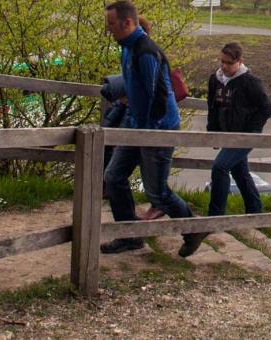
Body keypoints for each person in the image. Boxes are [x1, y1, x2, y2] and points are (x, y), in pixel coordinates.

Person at [97, 1, 199, 257]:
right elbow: (135, 91)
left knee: (157, 193)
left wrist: (148, 132)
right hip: (136, 126)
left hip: (158, 128)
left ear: (127, 23)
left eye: (111, 24)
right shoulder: (127, 49)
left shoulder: (146, 51)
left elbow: (158, 96)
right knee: (113, 177)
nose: (108, 30)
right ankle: (130, 237)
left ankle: (194, 229)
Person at [198, 41, 271, 256]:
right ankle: (255, 212)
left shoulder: (250, 82)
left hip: (245, 136)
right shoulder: (215, 80)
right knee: (239, 171)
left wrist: (251, 129)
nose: (224, 66)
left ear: (239, 62)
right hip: (227, 133)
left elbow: (267, 108)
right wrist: (213, 131)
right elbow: (212, 106)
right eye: (221, 61)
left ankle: (215, 216)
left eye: (228, 63)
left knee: (220, 167)